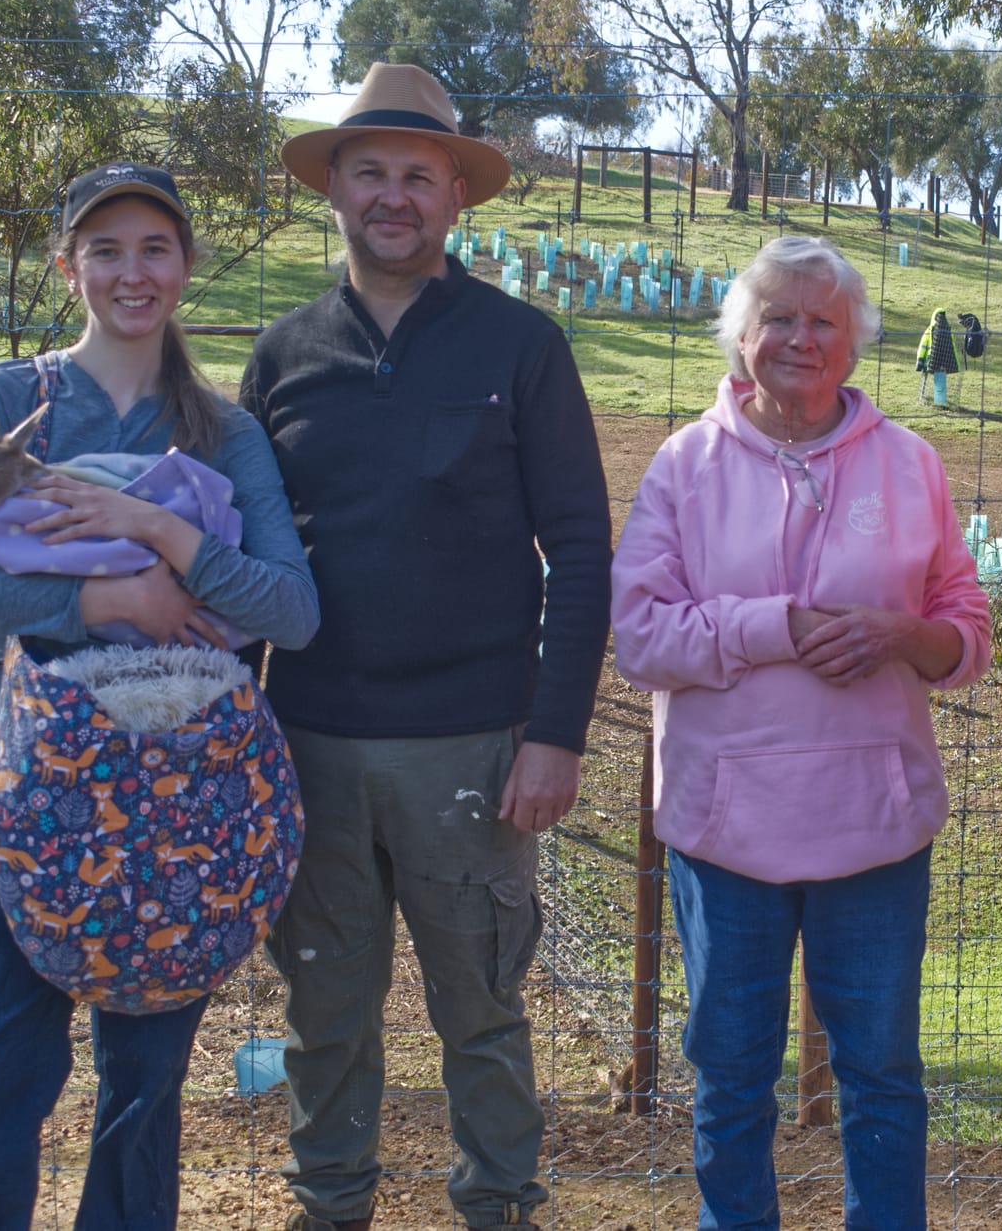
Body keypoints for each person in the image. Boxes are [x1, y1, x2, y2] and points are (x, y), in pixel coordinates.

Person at [0, 161, 319, 1229]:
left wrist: (163, 533)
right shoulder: (6, 402)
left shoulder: (223, 434)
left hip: (179, 788)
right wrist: (107, 601)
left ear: (183, 266)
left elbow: (293, 608)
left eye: (152, 248)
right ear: (69, 265)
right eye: (105, 249)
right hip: (22, 767)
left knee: (141, 1089)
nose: (130, 272)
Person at [240, 63, 612, 1231]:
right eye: (370, 172)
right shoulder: (282, 354)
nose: (392, 195)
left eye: (417, 173)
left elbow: (584, 552)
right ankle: (329, 1203)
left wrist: (552, 734)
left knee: (485, 1010)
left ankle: (498, 1203)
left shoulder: (520, 344)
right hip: (309, 741)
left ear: (457, 195)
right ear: (334, 189)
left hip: (474, 745)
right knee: (326, 1009)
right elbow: (242, 561)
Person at [611, 235, 991, 1230]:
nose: (800, 337)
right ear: (739, 335)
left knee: (880, 1076)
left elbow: (966, 631)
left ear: (856, 343)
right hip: (725, 832)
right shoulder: (684, 465)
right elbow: (640, 635)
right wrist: (770, 625)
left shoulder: (910, 464)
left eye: (823, 319)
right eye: (777, 316)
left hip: (872, 825)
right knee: (731, 1079)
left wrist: (906, 635)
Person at [916, 307, 959, 405]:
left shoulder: (930, 330)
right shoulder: (948, 330)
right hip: (943, 362)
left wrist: (920, 359)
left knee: (925, 379)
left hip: (929, 361)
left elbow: (923, 345)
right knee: (940, 379)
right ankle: (940, 401)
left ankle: (923, 398)